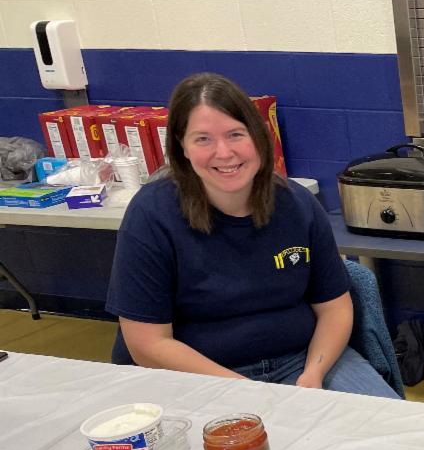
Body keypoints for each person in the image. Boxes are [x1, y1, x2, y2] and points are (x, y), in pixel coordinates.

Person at [106, 72, 399, 398]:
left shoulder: (297, 204)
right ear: (182, 147)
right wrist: (249, 392)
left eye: (235, 134)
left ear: (258, 137)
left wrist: (313, 375)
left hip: (302, 361)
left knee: (391, 422)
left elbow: (334, 308)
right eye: (203, 139)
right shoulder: (152, 214)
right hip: (198, 374)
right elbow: (148, 344)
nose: (224, 152)